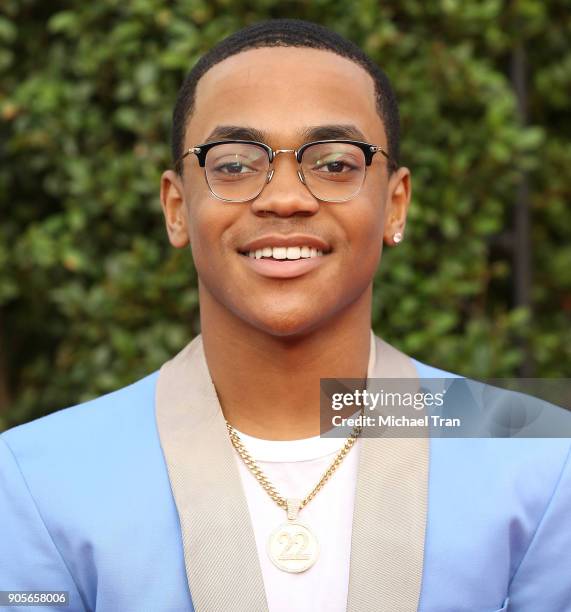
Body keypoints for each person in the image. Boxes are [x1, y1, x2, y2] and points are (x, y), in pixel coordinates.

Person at [1, 18, 569, 612]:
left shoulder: (534, 457)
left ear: (395, 205)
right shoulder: (40, 477)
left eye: (334, 164)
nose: (285, 197)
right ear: (176, 207)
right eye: (235, 164)